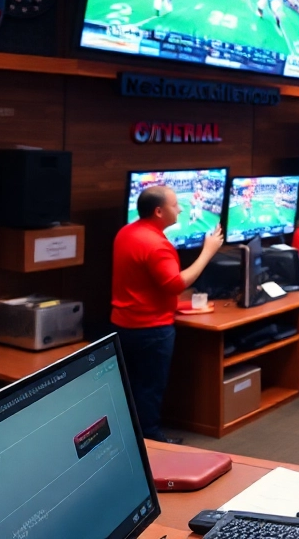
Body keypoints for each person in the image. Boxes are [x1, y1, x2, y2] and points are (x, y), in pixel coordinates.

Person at [112, 186, 224, 444]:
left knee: (131, 385)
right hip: (151, 328)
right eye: (176, 205)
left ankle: (131, 439)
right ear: (159, 211)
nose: (181, 209)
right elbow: (176, 284)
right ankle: (152, 441)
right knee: (150, 387)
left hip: (123, 323)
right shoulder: (156, 245)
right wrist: (208, 251)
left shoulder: (126, 232)